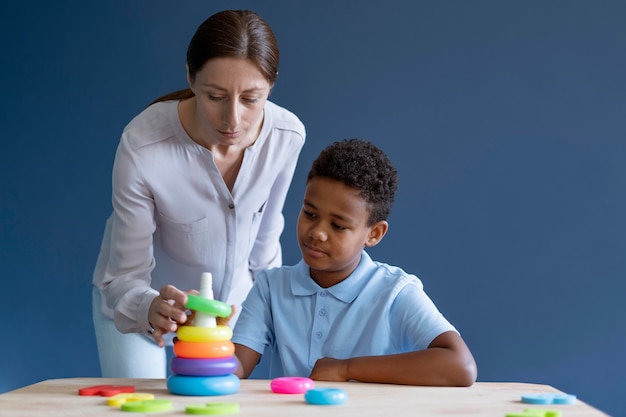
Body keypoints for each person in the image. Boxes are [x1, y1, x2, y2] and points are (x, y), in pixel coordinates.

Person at [92, 9, 306, 378]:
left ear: (272, 86)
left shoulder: (287, 137)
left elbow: (265, 249)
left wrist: (264, 317)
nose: (232, 120)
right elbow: (123, 279)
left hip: (232, 314)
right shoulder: (143, 146)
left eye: (252, 99)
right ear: (190, 77)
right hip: (145, 307)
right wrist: (152, 308)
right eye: (215, 96)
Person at [231, 139, 477, 386]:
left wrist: (346, 368)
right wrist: (206, 337)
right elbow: (236, 368)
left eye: (338, 225)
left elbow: (461, 366)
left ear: (374, 234)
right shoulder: (271, 287)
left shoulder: (395, 292)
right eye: (310, 213)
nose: (317, 232)